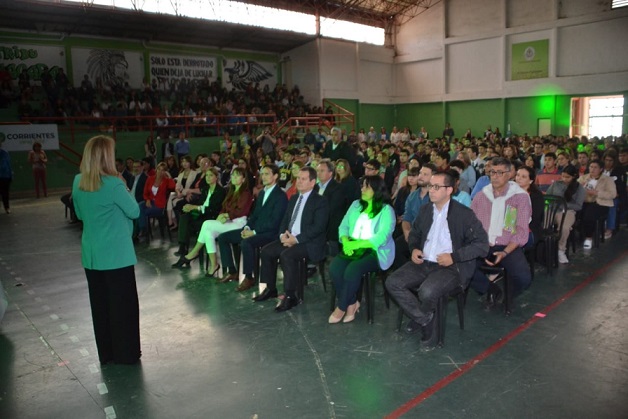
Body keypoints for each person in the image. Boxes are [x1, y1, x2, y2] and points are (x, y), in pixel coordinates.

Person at [386, 171, 488, 350]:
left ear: (449, 190)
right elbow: (415, 234)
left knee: (427, 291)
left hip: (450, 267)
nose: (430, 190)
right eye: (430, 186)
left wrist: (454, 257)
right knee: (393, 282)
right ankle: (425, 319)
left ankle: (423, 322)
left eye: (436, 187)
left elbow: (482, 245)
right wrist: (414, 248)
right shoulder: (426, 210)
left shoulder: (464, 214)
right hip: (424, 262)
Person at [71, 135, 141, 365]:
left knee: (100, 307)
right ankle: (126, 354)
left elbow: (79, 214)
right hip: (117, 256)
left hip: (92, 256)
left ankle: (107, 354)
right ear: (106, 156)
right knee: (123, 307)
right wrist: (124, 184)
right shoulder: (113, 183)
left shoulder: (78, 181)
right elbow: (134, 211)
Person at [253, 166, 329, 312]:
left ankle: (290, 295)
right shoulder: (294, 198)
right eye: (298, 178)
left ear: (312, 182)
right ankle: (270, 288)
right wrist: (282, 235)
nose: (299, 181)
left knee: (287, 256)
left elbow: (318, 227)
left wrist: (296, 240)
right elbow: (285, 219)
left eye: (303, 179)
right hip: (290, 237)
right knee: (267, 251)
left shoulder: (320, 201)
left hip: (308, 242)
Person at [329, 175, 396, 324]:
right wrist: (346, 242)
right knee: (334, 268)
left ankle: (341, 307)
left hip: (374, 250)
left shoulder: (386, 210)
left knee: (352, 270)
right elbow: (343, 226)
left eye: (367, 187)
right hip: (352, 246)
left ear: (377, 190)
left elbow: (382, 237)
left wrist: (357, 244)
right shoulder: (355, 205)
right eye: (362, 186)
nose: (362, 189)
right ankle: (352, 303)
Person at [470, 157, 532, 309]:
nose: (495, 176)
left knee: (523, 278)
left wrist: (504, 253)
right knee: (460, 267)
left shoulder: (519, 197)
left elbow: (521, 231)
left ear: (509, 174)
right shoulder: (481, 196)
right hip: (483, 244)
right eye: (492, 172)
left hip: (507, 245)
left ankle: (507, 294)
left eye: (500, 172)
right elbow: (470, 224)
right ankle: (491, 290)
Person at [217, 164, 288, 291]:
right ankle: (232, 271)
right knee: (223, 238)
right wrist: (247, 227)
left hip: (270, 233)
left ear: (275, 176)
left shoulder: (281, 196)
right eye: (262, 174)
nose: (263, 177)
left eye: (267, 174)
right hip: (256, 230)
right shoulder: (262, 193)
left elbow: (274, 222)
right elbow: (254, 215)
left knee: (247, 242)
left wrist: (254, 232)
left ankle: (249, 277)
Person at [176, 168, 253, 277]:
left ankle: (194, 253)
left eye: (237, 176)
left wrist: (226, 215)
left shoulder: (246, 193)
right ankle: (214, 265)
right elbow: (223, 207)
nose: (234, 178)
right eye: (233, 175)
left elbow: (242, 211)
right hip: (228, 221)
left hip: (238, 223)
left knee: (207, 224)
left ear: (243, 179)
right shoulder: (231, 191)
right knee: (208, 233)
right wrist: (221, 215)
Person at [173, 167, 226, 257]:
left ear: (216, 177)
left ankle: (188, 249)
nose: (208, 177)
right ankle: (183, 246)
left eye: (211, 175)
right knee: (185, 216)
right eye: (207, 175)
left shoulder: (220, 191)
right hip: (202, 214)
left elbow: (213, 208)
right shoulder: (205, 189)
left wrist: (195, 207)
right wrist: (190, 207)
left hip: (212, 216)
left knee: (188, 224)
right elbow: (200, 203)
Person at [546, 165, 585, 264]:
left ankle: (561, 250)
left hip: (568, 211)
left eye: (567, 177)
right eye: (562, 176)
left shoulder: (579, 188)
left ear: (574, 176)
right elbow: (547, 196)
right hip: (552, 209)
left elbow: (578, 206)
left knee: (564, 227)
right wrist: (551, 203)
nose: (564, 179)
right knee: (540, 222)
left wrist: (563, 204)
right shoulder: (556, 184)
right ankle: (544, 248)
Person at [578, 160, 617, 249]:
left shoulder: (607, 180)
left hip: (601, 203)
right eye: (591, 167)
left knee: (589, 215)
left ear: (601, 169)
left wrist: (597, 193)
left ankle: (589, 238)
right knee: (576, 213)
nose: (592, 169)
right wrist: (580, 187)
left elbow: (612, 194)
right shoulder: (584, 178)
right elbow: (574, 189)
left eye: (595, 167)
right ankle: (581, 234)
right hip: (585, 202)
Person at [137, 162, 176, 239]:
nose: (160, 172)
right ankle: (143, 229)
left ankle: (144, 230)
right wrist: (147, 200)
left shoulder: (166, 180)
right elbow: (145, 193)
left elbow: (173, 186)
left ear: (165, 171)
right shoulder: (150, 179)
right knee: (139, 206)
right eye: (159, 169)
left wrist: (169, 176)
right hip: (150, 201)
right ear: (156, 169)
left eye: (163, 170)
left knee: (144, 212)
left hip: (160, 205)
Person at [515, 166, 544, 249]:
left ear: (531, 181)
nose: (519, 178)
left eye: (523, 177)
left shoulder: (536, 196)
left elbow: (535, 218)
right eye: (518, 175)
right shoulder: (510, 192)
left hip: (529, 229)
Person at [0, 137, 12, 214]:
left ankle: (7, 207)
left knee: (5, 193)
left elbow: (8, 164)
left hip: (5, 176)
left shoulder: (5, 153)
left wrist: (10, 175)